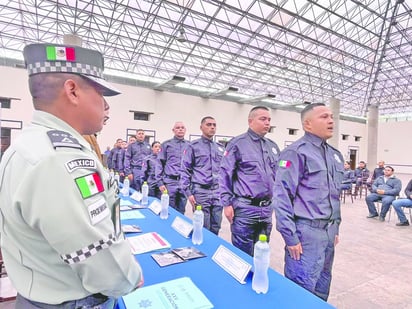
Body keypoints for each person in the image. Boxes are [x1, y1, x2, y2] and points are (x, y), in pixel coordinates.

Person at [0, 43, 143, 308]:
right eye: (100, 92)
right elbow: (96, 252)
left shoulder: (30, 144)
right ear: (73, 91)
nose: (104, 103)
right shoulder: (60, 159)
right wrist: (129, 278)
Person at [273, 103, 344, 301]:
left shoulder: (334, 155)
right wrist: (290, 237)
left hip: (328, 232)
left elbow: (334, 196)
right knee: (301, 290)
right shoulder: (295, 152)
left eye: (332, 116)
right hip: (306, 233)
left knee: (322, 286)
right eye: (324, 117)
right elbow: (281, 196)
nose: (331, 120)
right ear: (308, 124)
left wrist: (335, 227)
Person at [219, 106, 280, 255]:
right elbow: (225, 173)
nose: (267, 123)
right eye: (263, 119)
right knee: (243, 255)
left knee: (261, 252)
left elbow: (278, 175)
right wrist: (226, 204)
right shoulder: (237, 143)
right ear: (250, 121)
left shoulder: (272, 146)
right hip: (245, 209)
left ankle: (257, 278)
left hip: (266, 209)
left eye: (269, 120)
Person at [180, 116, 225, 235]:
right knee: (203, 226)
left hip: (217, 192)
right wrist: (188, 193)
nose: (212, 127)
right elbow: (185, 170)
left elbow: (225, 171)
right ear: (201, 127)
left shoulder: (220, 148)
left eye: (214, 125)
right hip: (200, 191)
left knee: (216, 225)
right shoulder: (192, 146)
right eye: (209, 125)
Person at [155, 122, 190, 214]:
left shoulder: (190, 145)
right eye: (178, 128)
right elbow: (159, 164)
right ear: (173, 130)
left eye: (182, 127)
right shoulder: (166, 144)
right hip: (170, 183)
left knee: (182, 210)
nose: (180, 129)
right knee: (169, 210)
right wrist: (159, 182)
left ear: (185, 130)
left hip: (184, 183)